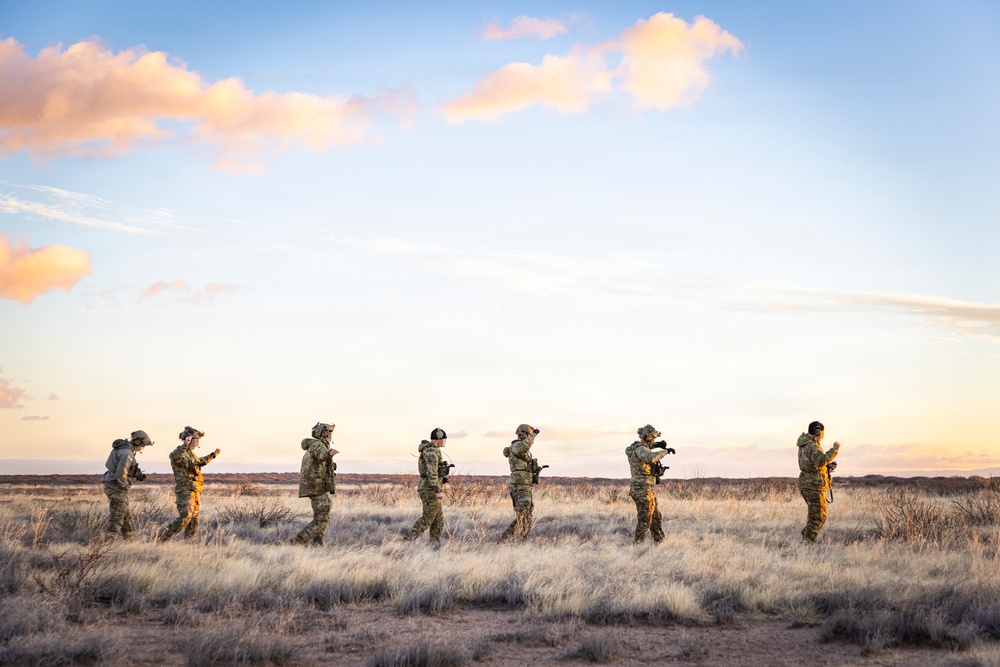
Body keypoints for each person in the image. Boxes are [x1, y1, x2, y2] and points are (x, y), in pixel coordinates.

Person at [158, 426, 220, 542]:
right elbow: (176, 457)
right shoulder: (178, 452)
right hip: (185, 490)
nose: (197, 442)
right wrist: (185, 445)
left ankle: (188, 542)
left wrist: (213, 455)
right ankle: (161, 537)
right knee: (185, 517)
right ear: (189, 439)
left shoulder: (191, 454)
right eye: (195, 439)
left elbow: (200, 462)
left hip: (194, 489)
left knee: (194, 518)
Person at [625, 424, 675, 544]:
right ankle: (637, 547)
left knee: (655, 516)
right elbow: (650, 457)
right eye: (653, 438)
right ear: (648, 437)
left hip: (644, 488)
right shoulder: (641, 450)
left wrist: (658, 445)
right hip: (642, 489)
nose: (654, 440)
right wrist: (665, 451)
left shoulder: (636, 447)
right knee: (646, 519)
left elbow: (646, 448)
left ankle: (659, 542)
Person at [291, 422, 339, 546]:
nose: (331, 434)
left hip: (316, 487)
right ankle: (298, 541)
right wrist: (329, 453)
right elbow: (321, 454)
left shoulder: (314, 445)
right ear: (324, 433)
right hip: (317, 488)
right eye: (329, 432)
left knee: (322, 517)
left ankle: (318, 545)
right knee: (322, 518)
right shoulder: (318, 445)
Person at [101, 430, 153, 541]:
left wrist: (135, 473)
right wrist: (124, 487)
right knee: (117, 517)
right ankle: (106, 545)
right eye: (143, 445)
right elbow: (121, 473)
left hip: (112, 483)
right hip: (116, 486)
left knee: (125, 515)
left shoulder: (123, 449)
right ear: (138, 441)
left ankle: (130, 541)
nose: (142, 448)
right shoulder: (127, 453)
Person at [797, 421, 841, 543]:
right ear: (818, 432)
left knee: (818, 514)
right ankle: (807, 542)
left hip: (810, 483)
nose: (823, 434)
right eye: (822, 432)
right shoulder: (812, 445)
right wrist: (834, 450)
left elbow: (813, 464)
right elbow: (820, 460)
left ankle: (807, 535)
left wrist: (827, 467)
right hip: (813, 485)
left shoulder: (807, 444)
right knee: (818, 516)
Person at [403, 427, 447, 547]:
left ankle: (434, 546)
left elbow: (434, 471)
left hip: (430, 487)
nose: (445, 441)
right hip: (429, 489)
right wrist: (437, 489)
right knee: (428, 517)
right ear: (438, 438)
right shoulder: (432, 452)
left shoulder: (432, 450)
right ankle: (407, 540)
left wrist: (442, 477)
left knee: (438, 520)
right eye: (443, 439)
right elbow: (431, 472)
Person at [500, 423, 539, 541]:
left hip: (524, 484)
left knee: (525, 513)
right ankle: (514, 538)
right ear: (524, 435)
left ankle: (515, 538)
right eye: (528, 435)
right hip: (521, 485)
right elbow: (524, 447)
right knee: (523, 514)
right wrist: (534, 436)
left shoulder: (516, 447)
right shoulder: (517, 446)